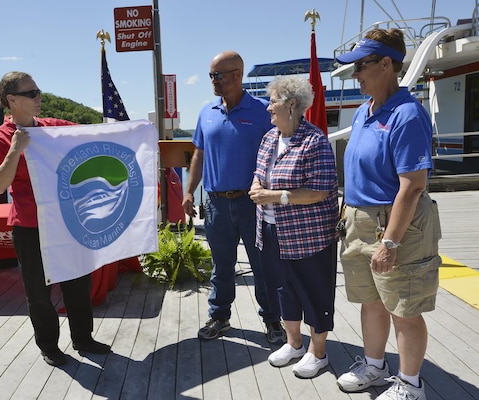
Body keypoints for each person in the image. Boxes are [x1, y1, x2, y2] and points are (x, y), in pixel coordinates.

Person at [334, 29, 442, 400]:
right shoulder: (366, 111)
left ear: (386, 65)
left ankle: (411, 384)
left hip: (395, 226)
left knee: (404, 308)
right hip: (359, 220)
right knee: (371, 301)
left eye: (361, 65)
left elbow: (412, 185)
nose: (355, 73)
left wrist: (391, 241)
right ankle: (375, 365)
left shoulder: (407, 113)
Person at [0, 71, 111, 367]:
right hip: (29, 228)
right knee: (38, 293)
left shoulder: (53, 129)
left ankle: (83, 339)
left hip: (65, 223)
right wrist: (16, 150)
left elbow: (91, 136)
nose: (38, 97)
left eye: (38, 91)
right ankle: (50, 347)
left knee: (78, 284)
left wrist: (134, 133)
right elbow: (0, 185)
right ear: (12, 100)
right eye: (31, 93)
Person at [182, 50, 285, 344]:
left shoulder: (264, 112)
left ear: (238, 75)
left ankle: (272, 320)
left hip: (254, 203)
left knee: (264, 264)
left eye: (218, 75)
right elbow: (199, 155)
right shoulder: (206, 113)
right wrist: (189, 191)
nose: (213, 81)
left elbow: (281, 154)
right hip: (216, 204)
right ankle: (219, 316)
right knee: (221, 264)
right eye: (211, 75)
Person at [249, 76, 339, 379]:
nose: (268, 108)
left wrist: (272, 196)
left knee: (313, 291)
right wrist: (255, 187)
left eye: (272, 101)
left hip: (308, 235)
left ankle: (318, 352)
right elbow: (259, 173)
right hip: (271, 229)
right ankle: (294, 344)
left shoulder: (315, 141)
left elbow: (319, 191)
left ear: (291, 105)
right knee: (283, 289)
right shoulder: (269, 138)